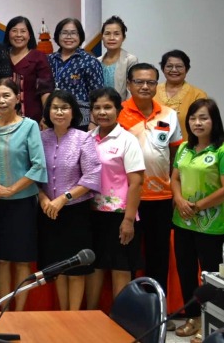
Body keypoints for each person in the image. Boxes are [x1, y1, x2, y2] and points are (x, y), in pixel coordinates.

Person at [0, 78, 47, 311]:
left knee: (21, 260)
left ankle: (19, 314)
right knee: (1, 259)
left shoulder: (29, 126)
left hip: (22, 203)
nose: (1, 100)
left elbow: (38, 166)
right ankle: (4, 311)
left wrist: (12, 189)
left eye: (6, 95)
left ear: (18, 98)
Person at [117, 63, 183, 296]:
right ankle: (131, 309)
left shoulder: (169, 114)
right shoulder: (117, 112)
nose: (145, 86)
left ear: (157, 85)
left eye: (151, 82)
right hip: (126, 198)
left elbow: (175, 154)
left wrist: (176, 190)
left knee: (158, 256)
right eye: (139, 82)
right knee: (128, 256)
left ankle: (157, 307)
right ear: (128, 84)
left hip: (161, 197)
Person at [170, 99, 224, 339]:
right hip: (182, 221)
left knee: (211, 277)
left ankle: (213, 323)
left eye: (203, 118)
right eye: (193, 118)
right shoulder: (184, 147)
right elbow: (174, 178)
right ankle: (193, 318)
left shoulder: (223, 151)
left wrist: (197, 206)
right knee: (185, 272)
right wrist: (180, 200)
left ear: (214, 121)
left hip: (211, 225)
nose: (198, 123)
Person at [38, 90, 101, 311]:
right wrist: (44, 198)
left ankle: (74, 317)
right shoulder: (40, 137)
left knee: (76, 269)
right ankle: (63, 315)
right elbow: (34, 172)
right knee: (58, 268)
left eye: (64, 107)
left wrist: (63, 199)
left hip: (75, 211)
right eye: (55, 107)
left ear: (73, 111)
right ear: (48, 111)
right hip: (48, 211)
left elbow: (92, 176)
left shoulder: (83, 138)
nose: (59, 112)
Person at [85, 87, 145, 308]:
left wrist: (129, 220)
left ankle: (120, 321)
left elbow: (137, 182)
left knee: (121, 268)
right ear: (91, 111)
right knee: (95, 265)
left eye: (108, 107)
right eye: (97, 108)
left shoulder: (127, 140)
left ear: (118, 110)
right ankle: (90, 316)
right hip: (91, 214)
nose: (102, 112)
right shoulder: (86, 138)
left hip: (120, 215)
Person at [47, 18, 103, 130]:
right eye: (64, 33)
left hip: (81, 120)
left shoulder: (90, 61)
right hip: (54, 117)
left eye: (73, 33)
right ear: (58, 36)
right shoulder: (48, 60)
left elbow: (97, 95)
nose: (69, 37)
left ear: (80, 36)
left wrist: (93, 121)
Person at [3, 16, 53, 123]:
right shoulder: (2, 56)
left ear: (29, 35)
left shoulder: (38, 57)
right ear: (8, 34)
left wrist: (46, 116)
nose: (19, 35)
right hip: (4, 117)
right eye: (14, 31)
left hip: (33, 118)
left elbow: (45, 90)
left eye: (23, 31)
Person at [155, 49, 207, 138]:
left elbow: (202, 125)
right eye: (169, 66)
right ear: (163, 69)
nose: (174, 70)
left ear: (187, 69)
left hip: (187, 148)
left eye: (179, 66)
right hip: (155, 148)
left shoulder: (198, 95)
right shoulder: (152, 91)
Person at [97, 16, 137, 99]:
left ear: (123, 37)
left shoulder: (130, 60)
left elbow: (132, 90)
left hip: (123, 108)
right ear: (102, 37)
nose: (111, 38)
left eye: (116, 34)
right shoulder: (97, 61)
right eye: (107, 34)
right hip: (100, 109)